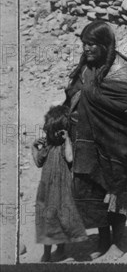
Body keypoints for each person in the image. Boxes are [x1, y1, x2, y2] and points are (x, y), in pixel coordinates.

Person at [64, 20, 127, 262]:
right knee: (93, 188)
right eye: (84, 44)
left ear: (105, 44)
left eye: (92, 44)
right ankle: (102, 240)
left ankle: (118, 243)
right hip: (88, 141)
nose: (87, 49)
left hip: (118, 141)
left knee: (118, 190)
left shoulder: (123, 69)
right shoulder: (84, 68)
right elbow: (73, 97)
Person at [32, 105, 87, 262]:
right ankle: (47, 253)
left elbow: (70, 158)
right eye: (52, 131)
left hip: (63, 190)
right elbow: (38, 162)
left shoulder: (65, 146)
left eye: (58, 130)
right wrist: (34, 147)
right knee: (47, 219)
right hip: (47, 190)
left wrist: (67, 139)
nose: (54, 134)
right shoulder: (48, 146)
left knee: (63, 219)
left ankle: (61, 250)